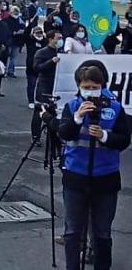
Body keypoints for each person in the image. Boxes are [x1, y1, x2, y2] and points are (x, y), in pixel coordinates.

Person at [59, 63, 130, 270]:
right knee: (72, 231)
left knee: (102, 233)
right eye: (86, 87)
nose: (90, 91)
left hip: (105, 178)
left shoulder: (115, 109)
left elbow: (124, 140)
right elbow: (64, 134)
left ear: (102, 86)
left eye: (95, 87)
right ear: (79, 87)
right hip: (76, 177)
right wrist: (78, 118)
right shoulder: (72, 106)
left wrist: (104, 136)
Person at [32, 30, 64, 144]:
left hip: (57, 85)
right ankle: (36, 136)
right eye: (58, 38)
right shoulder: (42, 52)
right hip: (44, 85)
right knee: (40, 110)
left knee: (54, 111)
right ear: (51, 39)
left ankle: (53, 136)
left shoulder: (61, 52)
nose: (61, 40)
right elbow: (37, 68)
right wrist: (51, 62)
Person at [23, 23, 46, 109]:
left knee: (41, 85)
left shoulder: (45, 41)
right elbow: (25, 34)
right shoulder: (30, 41)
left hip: (42, 66)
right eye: (37, 32)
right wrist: (30, 24)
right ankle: (31, 101)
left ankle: (39, 100)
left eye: (40, 32)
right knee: (31, 84)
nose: (39, 34)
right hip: (31, 67)